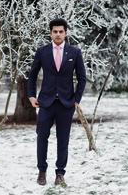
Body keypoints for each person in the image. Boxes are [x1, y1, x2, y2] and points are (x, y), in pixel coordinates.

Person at [27, 18, 86, 187]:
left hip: (66, 104)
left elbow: (82, 78)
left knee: (63, 140)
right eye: (55, 31)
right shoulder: (42, 52)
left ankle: (60, 173)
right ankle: (42, 171)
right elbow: (32, 75)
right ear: (51, 33)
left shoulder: (75, 52)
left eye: (61, 31)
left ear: (65, 33)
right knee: (42, 137)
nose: (58, 34)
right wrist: (31, 96)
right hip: (46, 102)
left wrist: (76, 100)